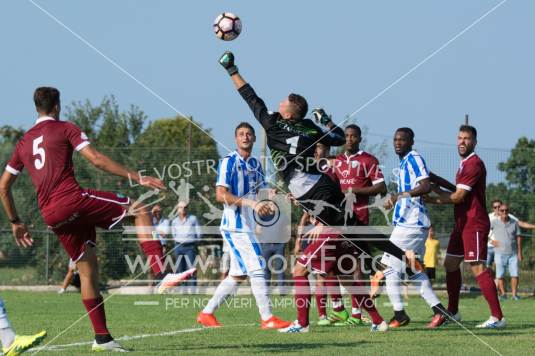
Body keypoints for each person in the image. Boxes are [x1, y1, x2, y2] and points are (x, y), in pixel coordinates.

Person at [218, 51, 411, 333]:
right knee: (351, 251)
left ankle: (303, 323)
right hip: (318, 188)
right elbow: (336, 138)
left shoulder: (272, 123)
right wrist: (327, 120)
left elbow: (250, 97)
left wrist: (231, 69)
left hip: (317, 192)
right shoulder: (308, 126)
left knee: (305, 267)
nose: (279, 101)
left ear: (289, 110)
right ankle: (396, 270)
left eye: (284, 100)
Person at [0, 87, 192, 352]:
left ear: (36, 108)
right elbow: (96, 159)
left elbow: (3, 185)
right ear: (57, 106)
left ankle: (102, 338)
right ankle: (161, 274)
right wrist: (138, 177)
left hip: (51, 214)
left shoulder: (23, 143)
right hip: (72, 200)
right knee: (140, 209)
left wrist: (15, 221)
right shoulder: (65, 127)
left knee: (87, 269)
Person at [196, 122, 290, 329]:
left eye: (249, 134)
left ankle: (206, 313)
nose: (245, 137)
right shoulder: (229, 162)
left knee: (237, 275)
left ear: (254, 139)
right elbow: (220, 195)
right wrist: (252, 203)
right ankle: (267, 318)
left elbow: (262, 194)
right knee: (257, 266)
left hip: (247, 226)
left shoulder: (256, 164)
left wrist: (276, 197)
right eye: (241, 134)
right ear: (236, 139)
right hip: (235, 226)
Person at [430, 125, 505, 329]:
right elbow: (456, 190)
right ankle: (453, 312)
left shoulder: (474, 164)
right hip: (461, 223)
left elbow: (458, 196)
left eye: (467, 139)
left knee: (477, 266)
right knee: (451, 264)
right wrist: (434, 180)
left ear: (474, 142)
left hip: (474, 223)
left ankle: (497, 317)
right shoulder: (463, 164)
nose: (462, 142)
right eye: (459, 138)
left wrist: (431, 198)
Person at [380, 127, 449, 329]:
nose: (397, 143)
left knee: (389, 267)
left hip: (411, 224)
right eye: (395, 139)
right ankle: (439, 311)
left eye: (402, 139)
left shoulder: (414, 158)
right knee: (412, 270)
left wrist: (398, 196)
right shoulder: (405, 162)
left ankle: (399, 314)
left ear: (411, 142)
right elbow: (431, 180)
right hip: (409, 224)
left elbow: (426, 185)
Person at [487, 199, 535, 269]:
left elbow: (521, 223)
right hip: (490, 247)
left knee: (500, 269)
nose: (497, 208)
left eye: (499, 206)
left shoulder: (508, 216)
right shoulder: (489, 217)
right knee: (487, 269)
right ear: (493, 208)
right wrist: (491, 241)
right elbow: (482, 231)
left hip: (503, 248)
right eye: (495, 207)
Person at [491, 203, 522, 300]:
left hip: (513, 254)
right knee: (500, 275)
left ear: (508, 211)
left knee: (515, 274)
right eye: (502, 210)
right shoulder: (494, 222)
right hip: (499, 253)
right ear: (498, 212)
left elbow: (518, 237)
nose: (504, 212)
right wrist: (491, 241)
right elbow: (483, 231)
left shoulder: (514, 222)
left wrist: (519, 252)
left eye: (506, 210)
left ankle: (514, 295)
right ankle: (503, 294)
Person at [171, 201, 201, 286]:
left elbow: (199, 233)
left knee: (192, 269)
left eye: (185, 207)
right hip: (178, 247)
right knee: (180, 270)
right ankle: (183, 290)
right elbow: (173, 234)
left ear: (187, 209)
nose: (183, 209)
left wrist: (195, 243)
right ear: (177, 209)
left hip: (190, 247)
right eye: (180, 207)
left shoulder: (193, 219)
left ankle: (193, 290)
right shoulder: (174, 221)